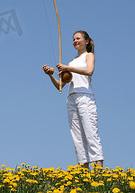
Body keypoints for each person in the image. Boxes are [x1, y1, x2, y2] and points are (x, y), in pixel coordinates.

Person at [42, 30, 104, 169]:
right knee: (77, 136)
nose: (75, 41)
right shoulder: (71, 62)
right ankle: (83, 174)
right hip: (71, 98)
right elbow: (60, 86)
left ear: (86, 41)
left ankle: (100, 173)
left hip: (84, 96)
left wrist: (68, 68)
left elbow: (89, 71)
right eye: (73, 39)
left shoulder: (89, 55)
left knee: (90, 132)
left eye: (78, 38)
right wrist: (50, 75)